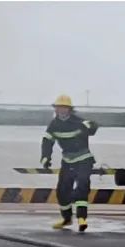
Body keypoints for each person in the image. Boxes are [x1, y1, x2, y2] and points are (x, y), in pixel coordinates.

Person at [41, 94, 99, 232]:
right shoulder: (54, 125)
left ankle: (82, 218)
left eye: (64, 108)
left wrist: (90, 125)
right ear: (55, 109)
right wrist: (45, 158)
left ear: (69, 109)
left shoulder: (78, 122)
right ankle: (67, 219)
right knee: (62, 190)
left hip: (84, 159)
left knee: (82, 185)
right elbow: (47, 142)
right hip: (67, 161)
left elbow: (93, 128)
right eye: (59, 107)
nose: (61, 110)